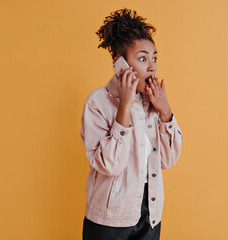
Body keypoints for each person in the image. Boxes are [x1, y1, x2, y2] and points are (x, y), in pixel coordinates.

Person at [80, 8, 184, 240]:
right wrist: (124, 107)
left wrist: (165, 111)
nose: (152, 66)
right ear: (120, 64)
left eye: (154, 58)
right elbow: (109, 165)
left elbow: (168, 160)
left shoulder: (152, 103)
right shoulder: (97, 102)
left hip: (150, 214)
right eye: (142, 58)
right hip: (110, 218)